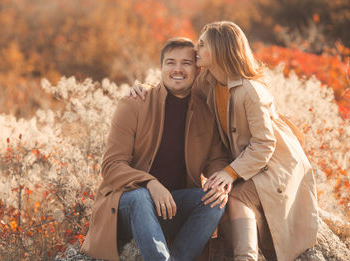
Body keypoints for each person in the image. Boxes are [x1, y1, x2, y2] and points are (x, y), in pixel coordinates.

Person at [130, 21, 318, 261]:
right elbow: (177, 84)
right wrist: (144, 90)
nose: (195, 49)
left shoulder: (251, 90)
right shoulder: (208, 80)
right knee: (218, 195)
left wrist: (229, 173)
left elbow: (264, 145)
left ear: (219, 49)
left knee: (236, 195)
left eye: (202, 44)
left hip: (275, 164)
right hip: (248, 161)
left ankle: (246, 257)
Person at [81, 37, 231, 261]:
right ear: (161, 68)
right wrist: (150, 183)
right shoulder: (135, 104)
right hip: (127, 206)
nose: (177, 69)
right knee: (141, 197)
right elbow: (111, 166)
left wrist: (220, 181)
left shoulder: (205, 112)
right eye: (170, 62)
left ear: (197, 70)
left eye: (186, 63)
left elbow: (216, 159)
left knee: (214, 199)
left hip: (173, 206)